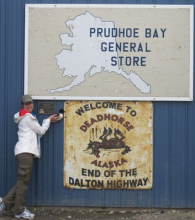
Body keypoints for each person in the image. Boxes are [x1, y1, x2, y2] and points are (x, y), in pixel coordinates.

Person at [0, 95, 61, 219]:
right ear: (22, 105)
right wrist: (48, 120)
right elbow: (40, 131)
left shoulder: (25, 116)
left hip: (24, 152)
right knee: (23, 183)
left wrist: (47, 121)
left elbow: (36, 135)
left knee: (22, 182)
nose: (29, 105)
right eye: (26, 103)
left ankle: (4, 203)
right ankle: (19, 211)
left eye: (30, 103)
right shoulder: (28, 117)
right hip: (25, 153)